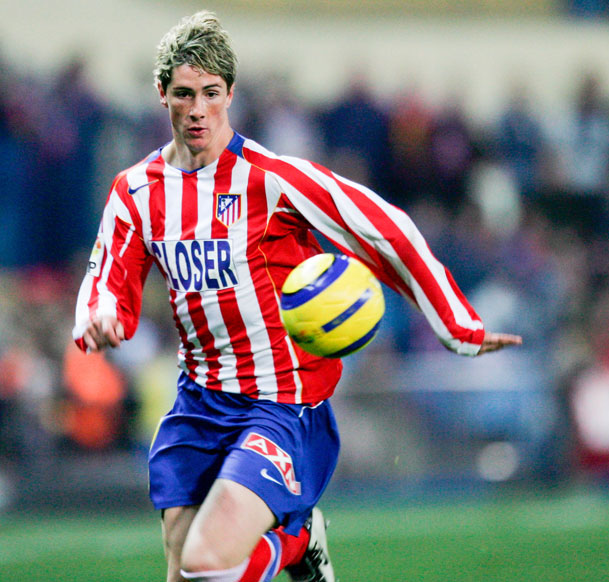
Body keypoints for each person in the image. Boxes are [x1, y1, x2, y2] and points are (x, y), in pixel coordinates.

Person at [72, 11, 522, 582]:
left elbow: (384, 228)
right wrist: (99, 316)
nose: (198, 109)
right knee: (186, 572)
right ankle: (296, 541)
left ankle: (299, 538)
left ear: (230, 93)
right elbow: (107, 276)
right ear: (163, 95)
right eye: (184, 94)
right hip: (198, 402)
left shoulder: (271, 178)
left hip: (281, 404)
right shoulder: (135, 190)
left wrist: (457, 326)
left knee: (208, 561)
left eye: (211, 93)